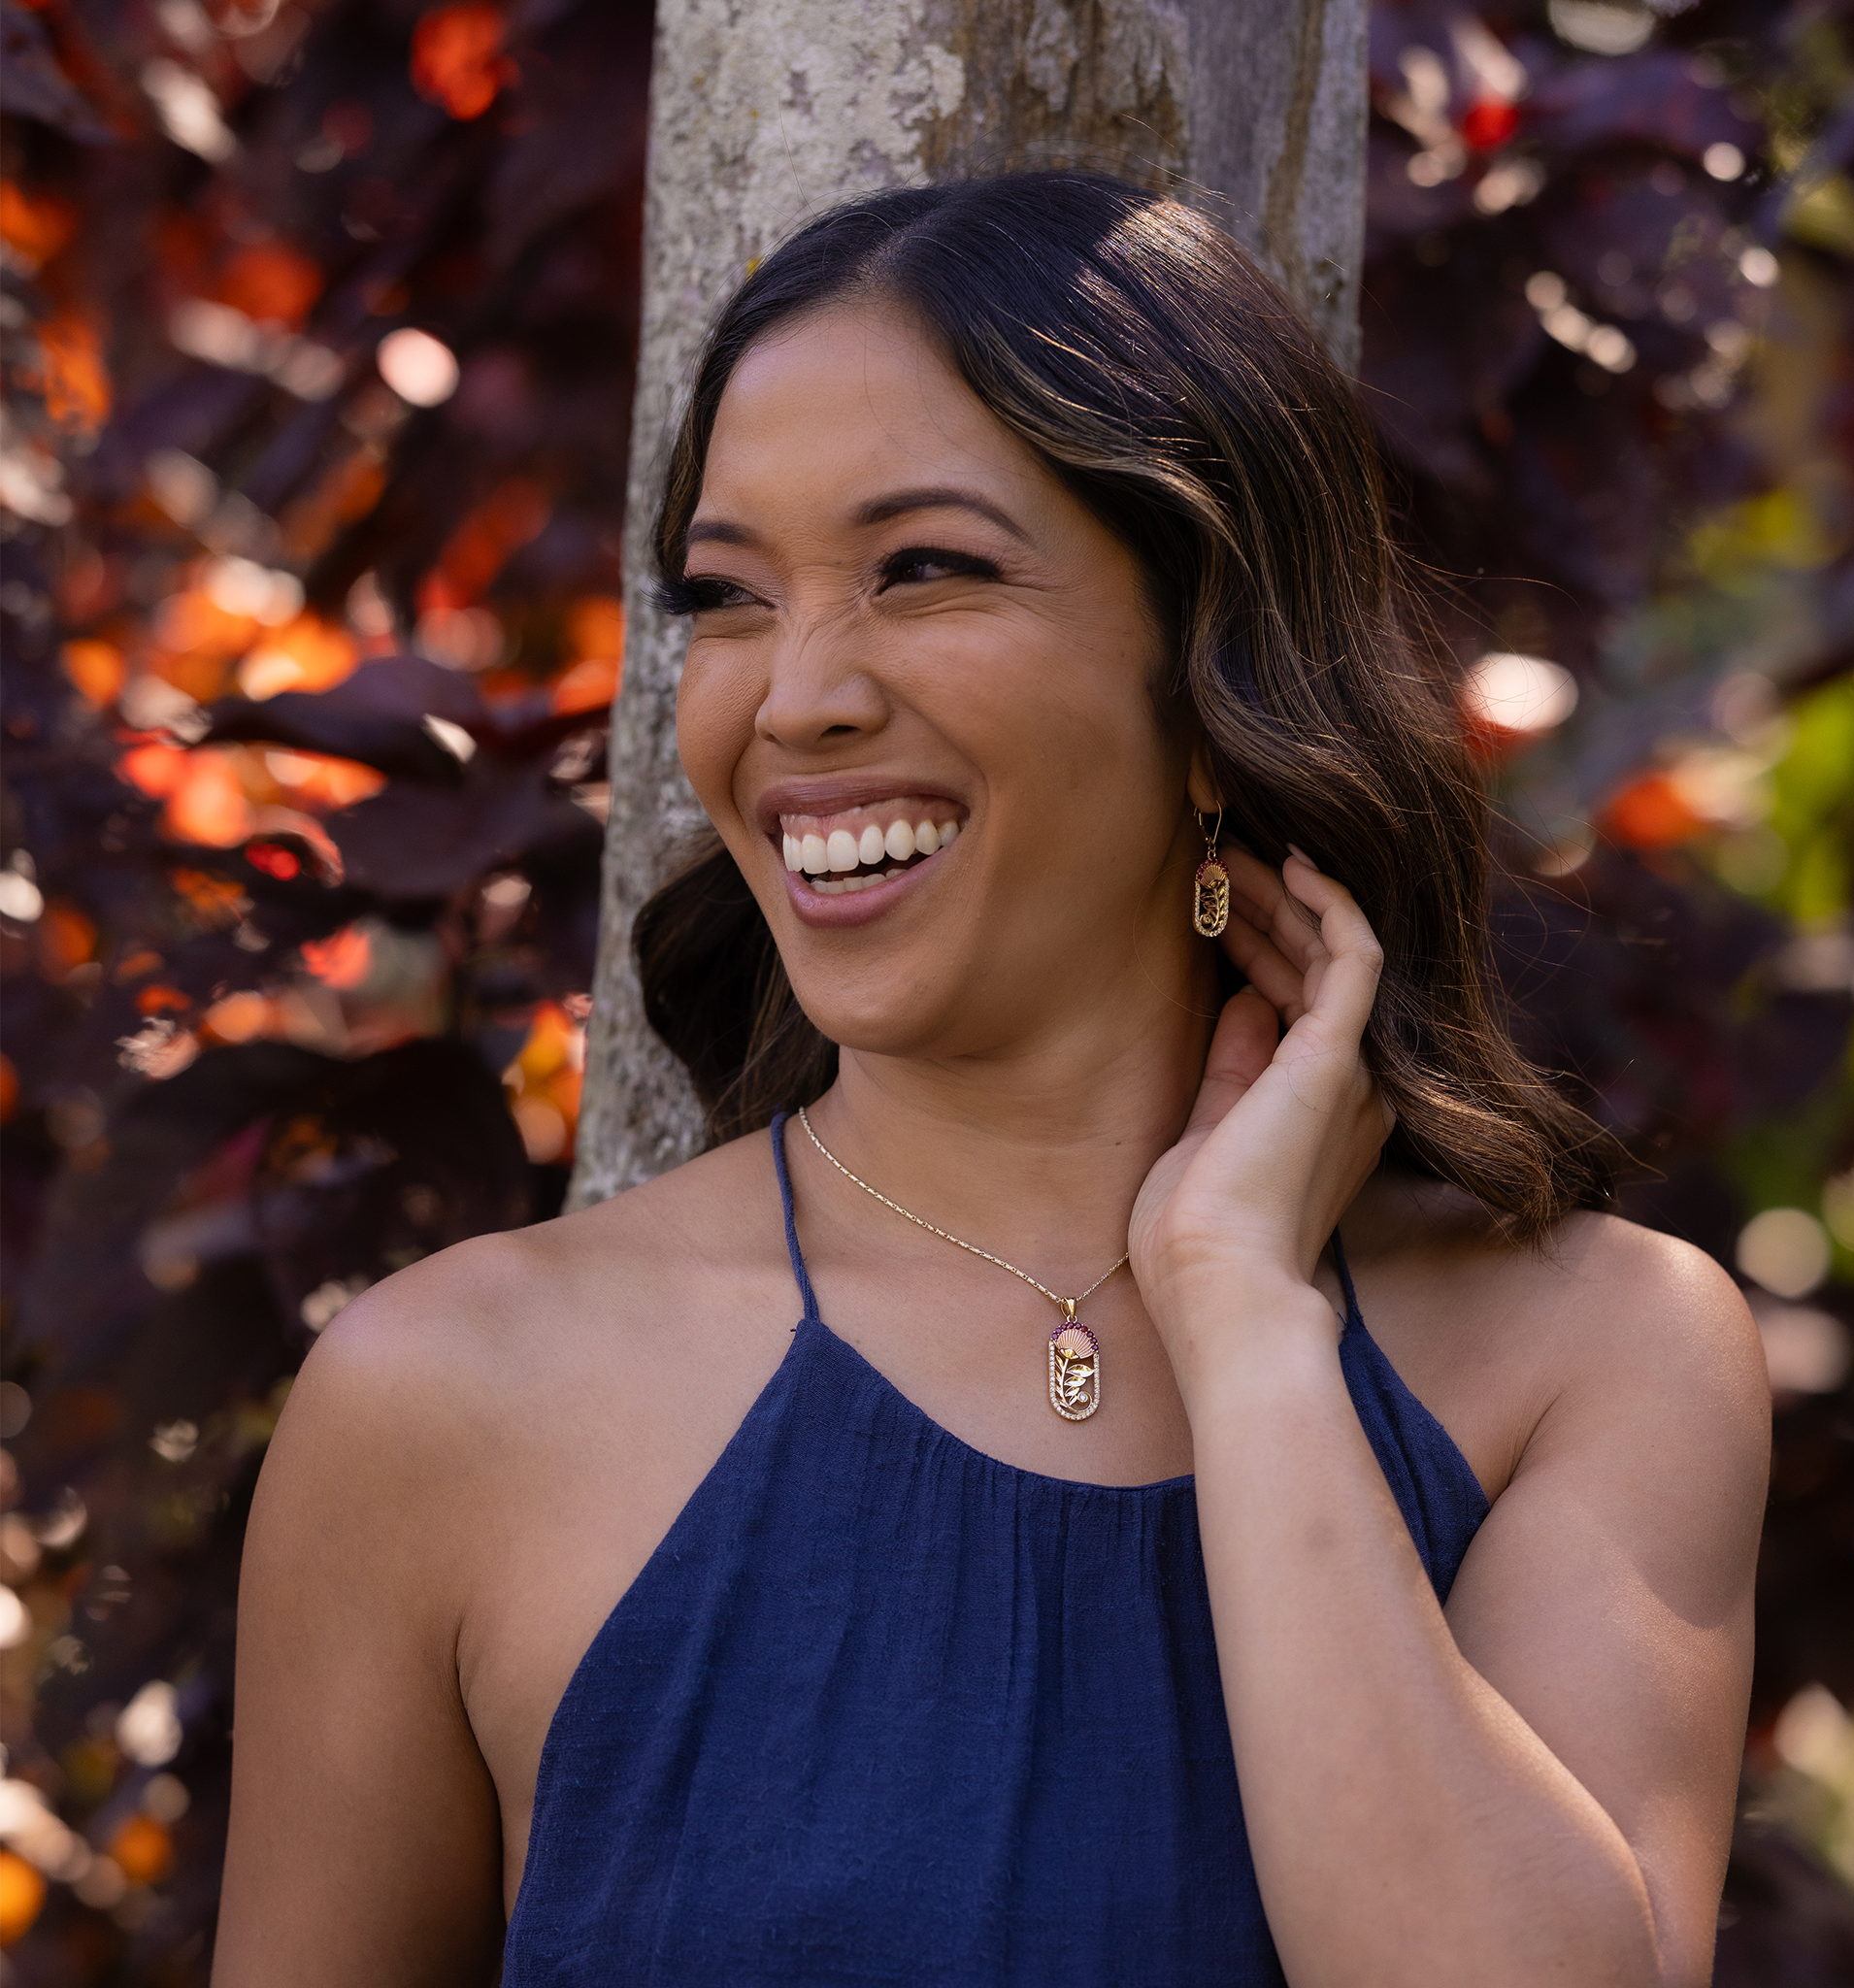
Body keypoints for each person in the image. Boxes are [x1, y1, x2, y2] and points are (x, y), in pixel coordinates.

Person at [215, 174, 1770, 1987]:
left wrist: (1251, 1327)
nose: (794, 698)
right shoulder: (442, 1403)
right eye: (726, 597)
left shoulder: (1600, 1359)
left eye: (924, 567)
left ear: (1214, 670)